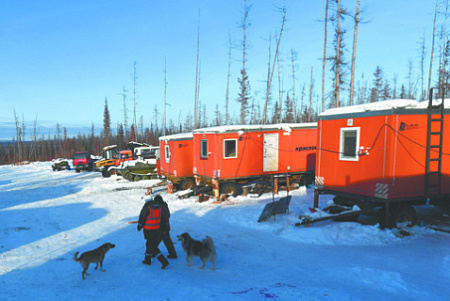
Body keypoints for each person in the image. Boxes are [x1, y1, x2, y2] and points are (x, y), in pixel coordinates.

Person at [137, 194, 169, 269]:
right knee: (149, 244)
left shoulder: (146, 208)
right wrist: (164, 228)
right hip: (157, 229)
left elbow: (142, 218)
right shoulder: (159, 207)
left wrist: (139, 226)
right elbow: (163, 219)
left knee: (152, 246)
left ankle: (164, 261)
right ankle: (147, 260)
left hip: (149, 230)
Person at [153, 194, 178, 259]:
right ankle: (173, 254)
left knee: (155, 241)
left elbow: (160, 218)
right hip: (166, 227)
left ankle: (152, 252)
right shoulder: (164, 205)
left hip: (161, 228)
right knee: (167, 241)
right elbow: (168, 215)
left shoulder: (159, 207)